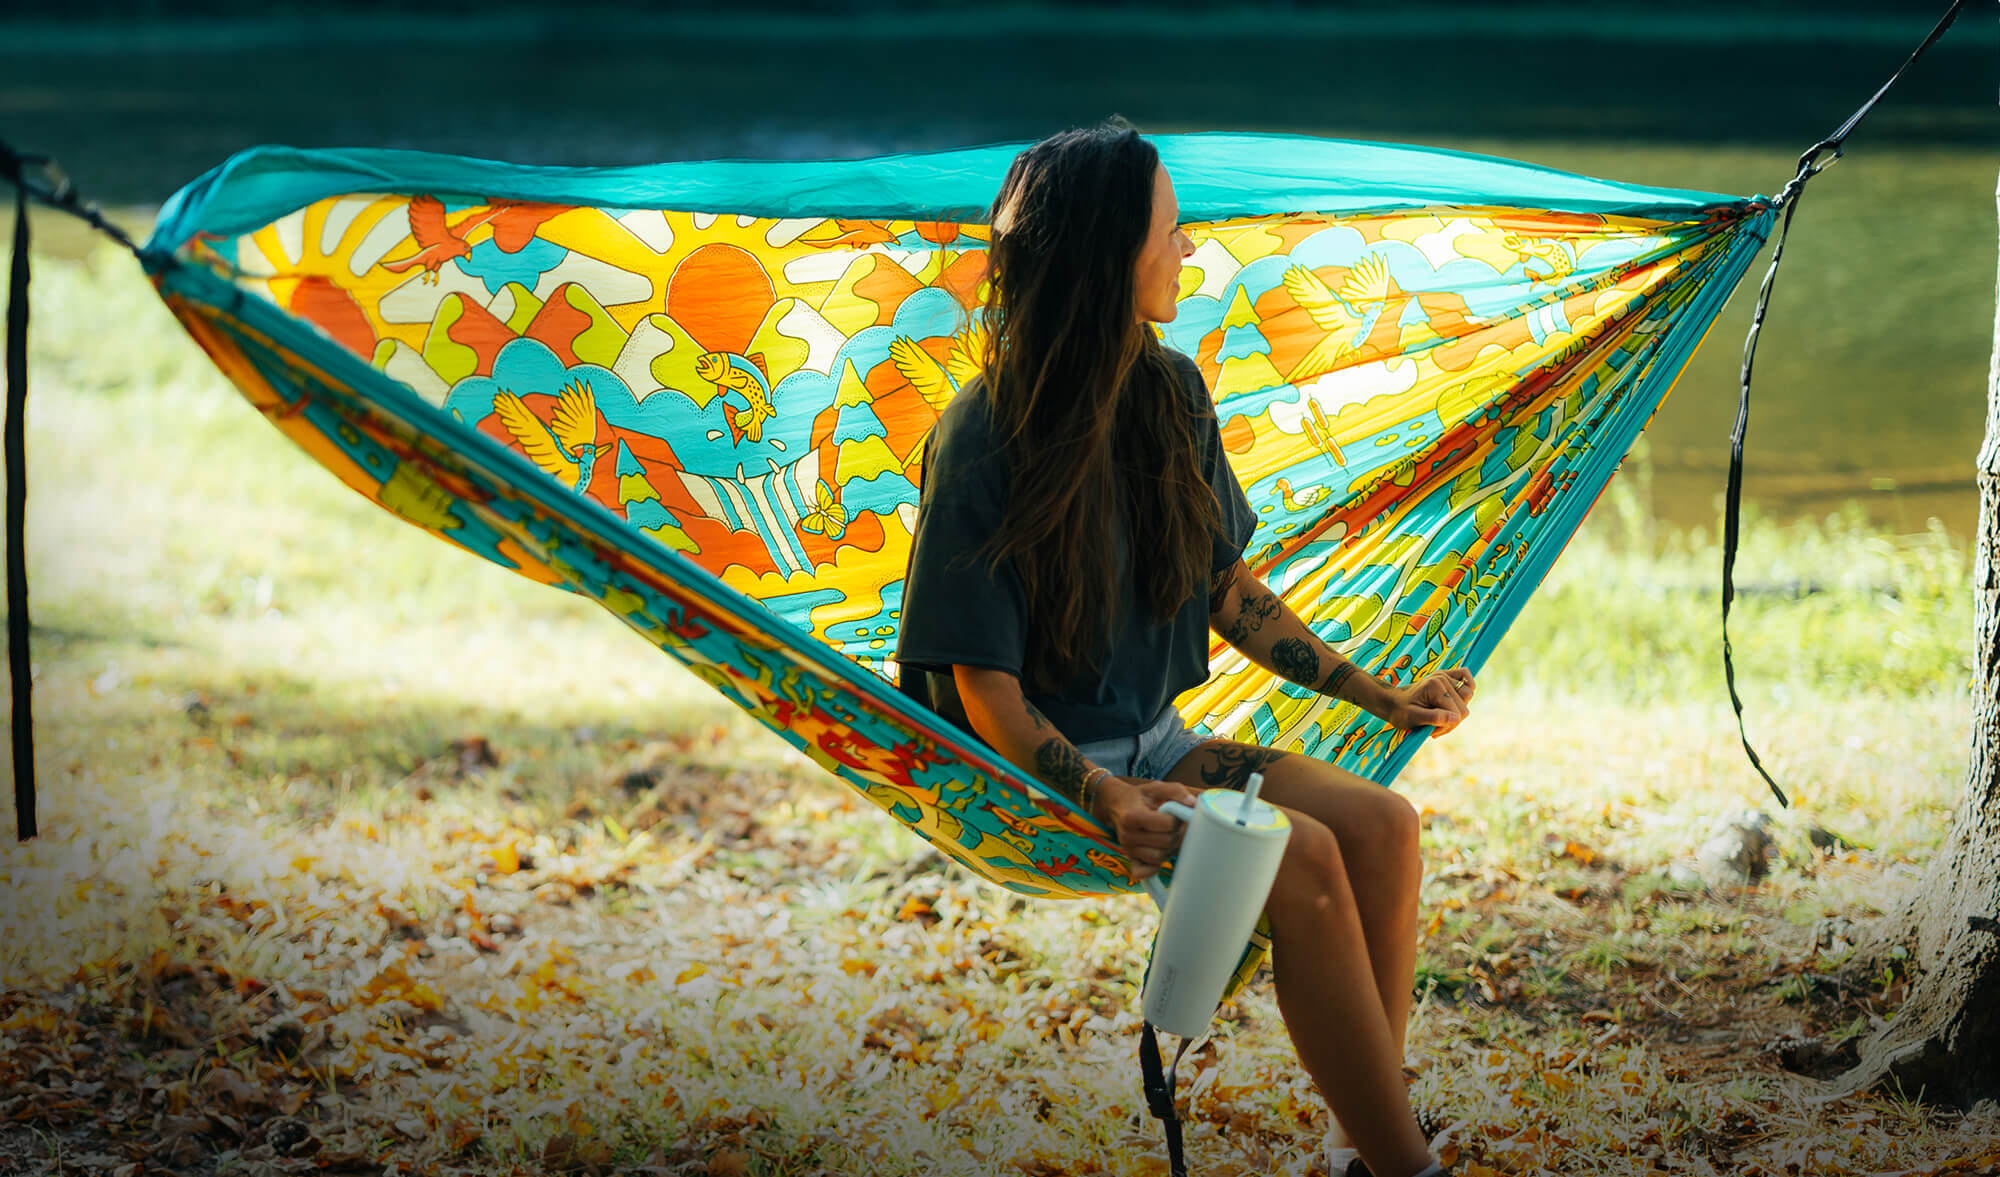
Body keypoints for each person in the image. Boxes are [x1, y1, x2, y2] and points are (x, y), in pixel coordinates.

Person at [894, 120, 1475, 1177]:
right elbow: (983, 687)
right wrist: (1102, 794)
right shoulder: (983, 435)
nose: (1188, 248)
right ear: (1109, 253)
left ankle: (1358, 1147)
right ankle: (1407, 1170)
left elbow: (1225, 591)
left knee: (1383, 826)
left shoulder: (1168, 392)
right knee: (1302, 855)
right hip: (1039, 774)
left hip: (1159, 749)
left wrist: (1380, 695)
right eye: (1170, 230)